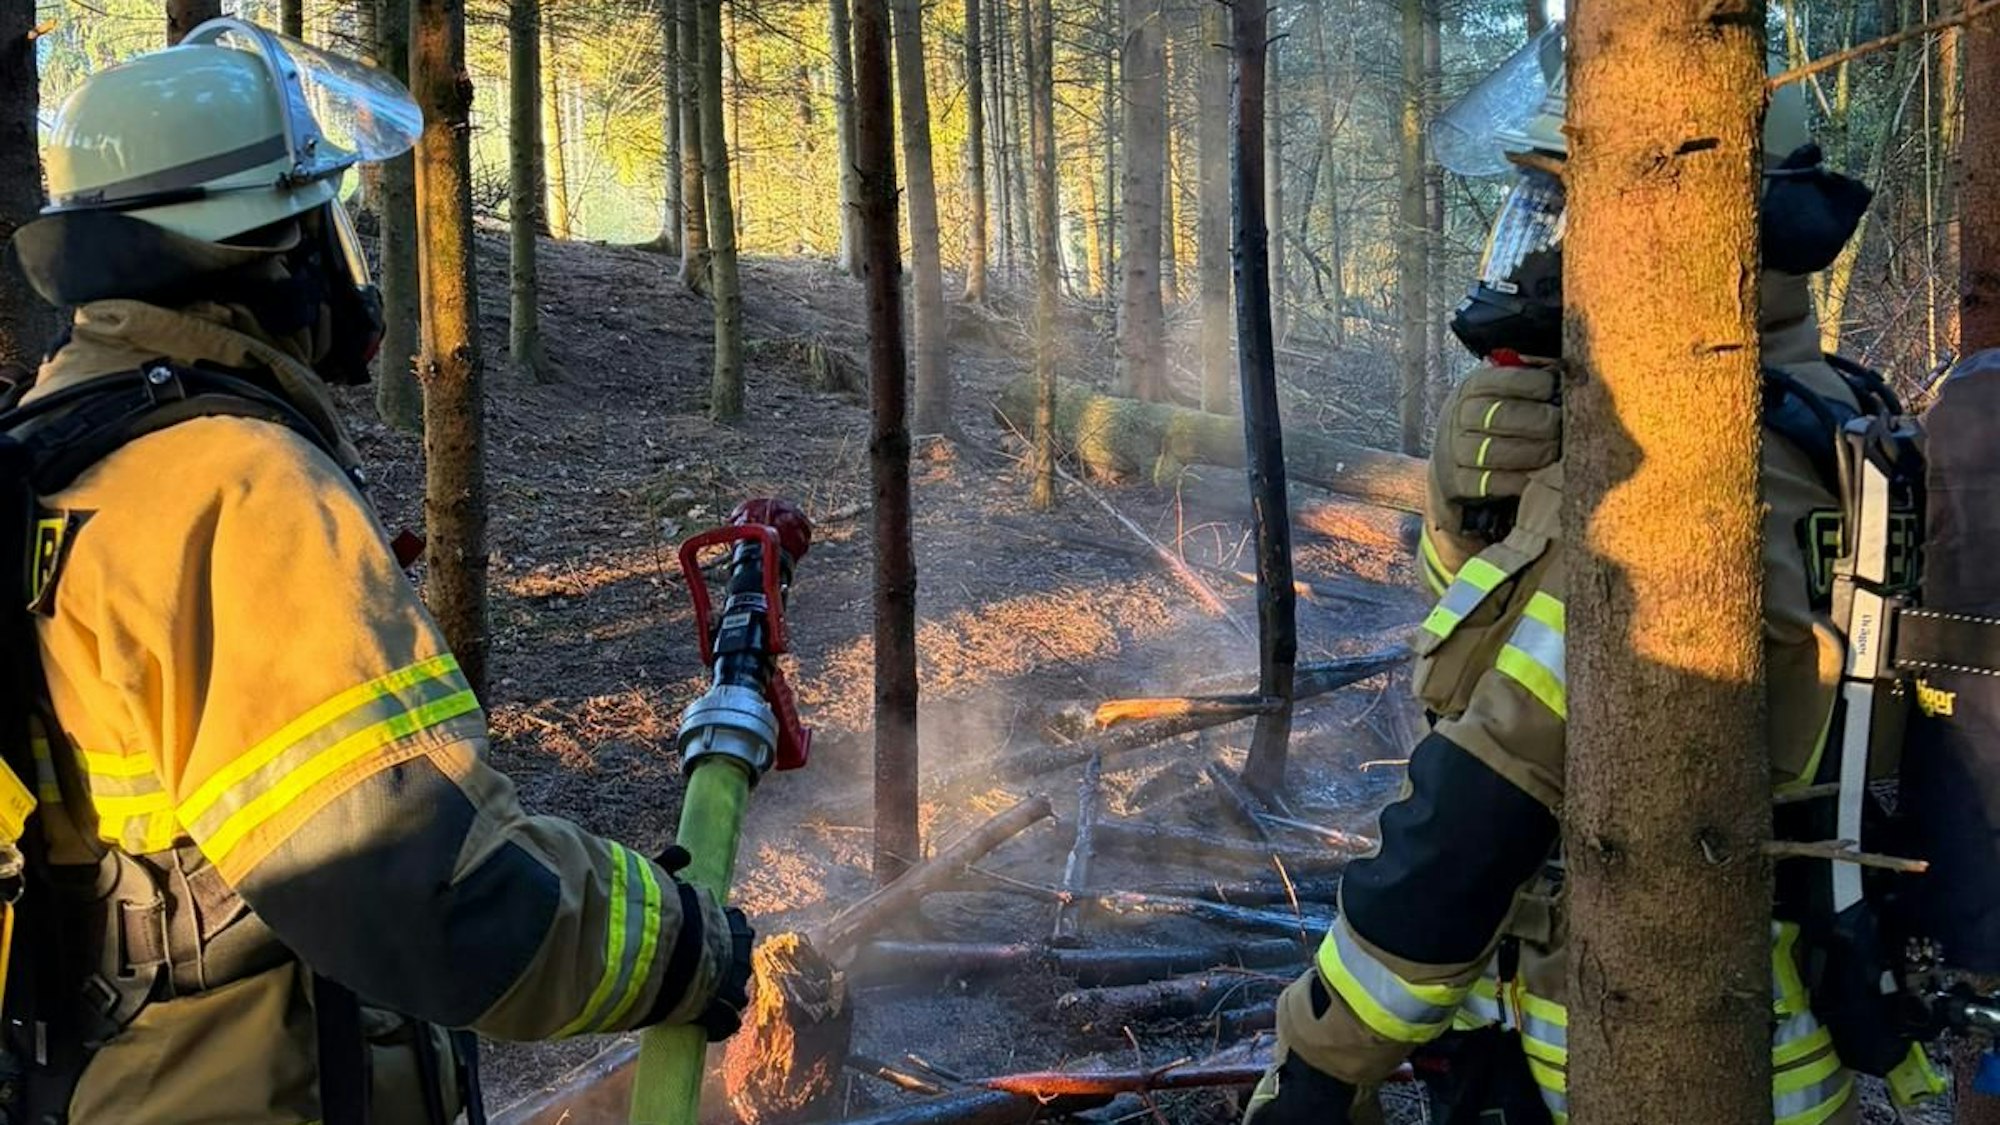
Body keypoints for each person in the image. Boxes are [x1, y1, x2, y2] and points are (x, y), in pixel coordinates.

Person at [0, 22, 750, 1124]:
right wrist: (685, 946)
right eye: (330, 221)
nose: (348, 258)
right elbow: (431, 893)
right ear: (267, 244)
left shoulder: (64, 450)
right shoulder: (230, 486)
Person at [1241, 24, 1923, 1125]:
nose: (1531, 260)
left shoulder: (1700, 475)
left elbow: (1484, 796)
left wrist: (1319, 1066)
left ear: (1684, 236)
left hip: (1638, 1059)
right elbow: (1481, 648)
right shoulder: (1805, 409)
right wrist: (1472, 513)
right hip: (1591, 1033)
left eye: (1563, 220)